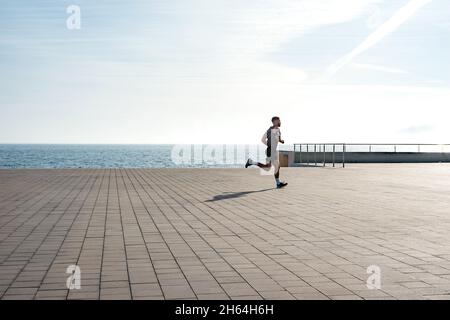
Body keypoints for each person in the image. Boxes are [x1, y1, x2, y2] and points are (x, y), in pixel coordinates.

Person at [245, 116, 288, 189]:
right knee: (276, 166)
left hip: (272, 150)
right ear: (274, 122)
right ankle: (278, 183)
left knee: (268, 167)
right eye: (278, 121)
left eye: (279, 120)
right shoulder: (271, 129)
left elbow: (276, 139)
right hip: (271, 150)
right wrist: (269, 145)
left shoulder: (277, 130)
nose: (279, 122)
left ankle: (251, 162)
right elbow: (264, 139)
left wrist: (281, 141)